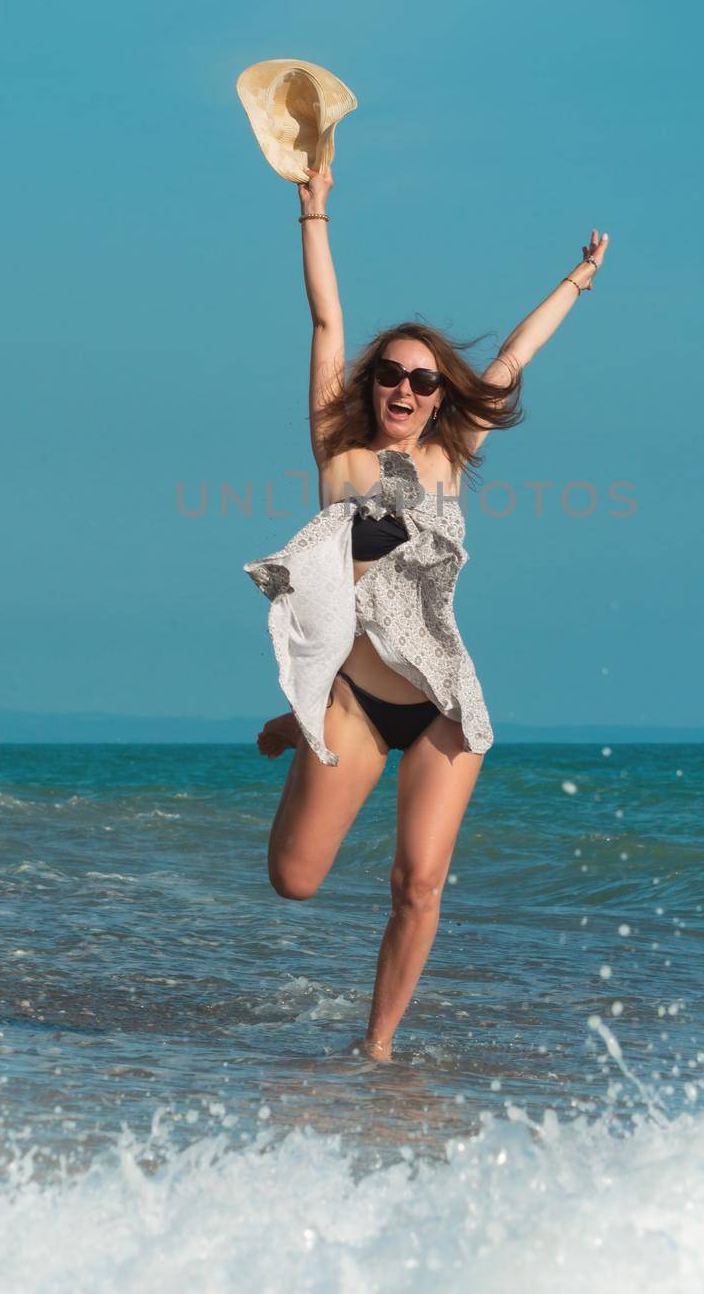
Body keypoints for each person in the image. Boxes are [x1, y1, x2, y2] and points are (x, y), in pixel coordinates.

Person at [248, 164, 609, 1061]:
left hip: (443, 699)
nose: (405, 391)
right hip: (359, 702)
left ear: (440, 395)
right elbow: (327, 320)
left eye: (422, 381)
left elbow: (512, 361)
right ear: (370, 385)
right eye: (391, 377)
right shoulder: (339, 451)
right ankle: (305, 720)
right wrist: (313, 208)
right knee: (293, 882)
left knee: (420, 885)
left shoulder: (450, 453)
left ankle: (375, 1052)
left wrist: (575, 280)